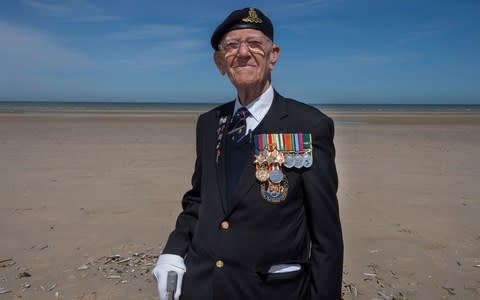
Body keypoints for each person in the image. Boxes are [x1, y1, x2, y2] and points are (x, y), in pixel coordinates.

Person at [153, 7, 343, 300]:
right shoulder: (208, 123)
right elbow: (198, 199)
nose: (242, 52)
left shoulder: (308, 125)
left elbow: (326, 236)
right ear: (220, 61)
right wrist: (173, 251)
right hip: (203, 287)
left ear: (273, 55)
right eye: (231, 46)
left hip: (271, 291)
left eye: (254, 43)